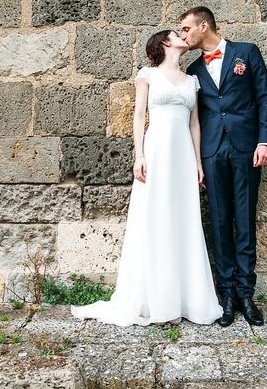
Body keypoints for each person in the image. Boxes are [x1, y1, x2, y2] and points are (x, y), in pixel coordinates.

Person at [70, 30, 223, 326]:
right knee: (156, 217)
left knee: (183, 218)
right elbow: (139, 116)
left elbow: (195, 125)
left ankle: (186, 299)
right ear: (165, 43)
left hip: (182, 154)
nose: (183, 37)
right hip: (156, 151)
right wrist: (139, 155)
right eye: (177, 34)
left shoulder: (192, 81)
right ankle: (158, 301)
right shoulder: (148, 75)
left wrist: (198, 163)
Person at [180, 6, 267, 327]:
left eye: (186, 29)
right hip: (212, 153)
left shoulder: (246, 53)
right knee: (219, 223)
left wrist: (265, 141)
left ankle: (247, 295)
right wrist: (195, 163)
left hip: (247, 149)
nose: (184, 35)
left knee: (245, 220)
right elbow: (190, 119)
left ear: (203, 26)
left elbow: (264, 98)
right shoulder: (193, 70)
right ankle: (227, 298)